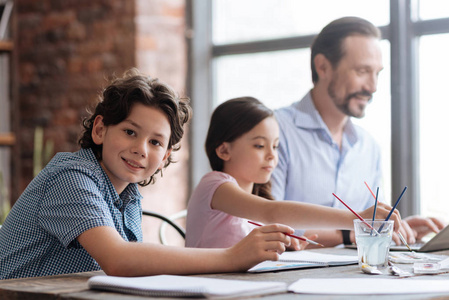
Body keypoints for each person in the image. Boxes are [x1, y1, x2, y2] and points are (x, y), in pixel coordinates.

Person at [0, 69, 299, 280]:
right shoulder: (71, 176)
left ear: (166, 155)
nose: (141, 149)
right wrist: (232, 257)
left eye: (155, 142)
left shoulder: (128, 196)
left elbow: (131, 265)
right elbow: (119, 259)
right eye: (130, 132)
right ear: (101, 129)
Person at [270, 16, 446, 248]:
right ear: (323, 67)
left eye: (377, 73)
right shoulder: (274, 132)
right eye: (362, 71)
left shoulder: (368, 146)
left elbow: (370, 221)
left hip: (351, 278)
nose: (372, 87)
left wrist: (394, 228)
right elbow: (263, 225)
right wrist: (350, 234)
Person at [185, 96, 402, 249]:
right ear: (224, 150)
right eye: (260, 146)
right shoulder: (214, 185)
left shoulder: (257, 203)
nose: (272, 156)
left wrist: (287, 245)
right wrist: (358, 218)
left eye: (276, 146)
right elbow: (271, 211)